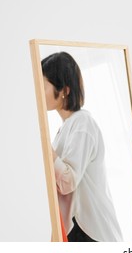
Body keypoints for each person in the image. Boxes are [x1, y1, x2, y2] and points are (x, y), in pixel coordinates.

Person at [41, 52, 123, 242]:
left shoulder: (82, 124)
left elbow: (68, 181)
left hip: (89, 230)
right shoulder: (66, 127)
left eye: (43, 85)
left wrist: (46, 147)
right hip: (77, 228)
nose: (38, 91)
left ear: (64, 90)